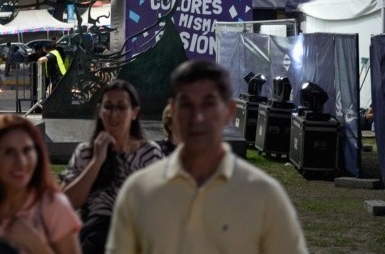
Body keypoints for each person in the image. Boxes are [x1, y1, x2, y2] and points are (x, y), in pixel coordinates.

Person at [107, 60, 309, 254]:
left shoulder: (264, 196)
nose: (198, 117)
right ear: (173, 111)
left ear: (229, 111)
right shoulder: (138, 192)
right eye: (187, 105)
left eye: (208, 104)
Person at [0, 114, 82, 254]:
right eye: (9, 152)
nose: (21, 162)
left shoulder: (54, 207)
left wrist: (37, 245)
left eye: (27, 150)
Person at [59, 80, 162, 254]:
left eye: (121, 107)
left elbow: (158, 206)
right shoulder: (86, 152)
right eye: (108, 107)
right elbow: (64, 205)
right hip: (96, 236)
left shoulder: (149, 153)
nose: (113, 114)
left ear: (134, 113)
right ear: (100, 111)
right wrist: (97, 161)